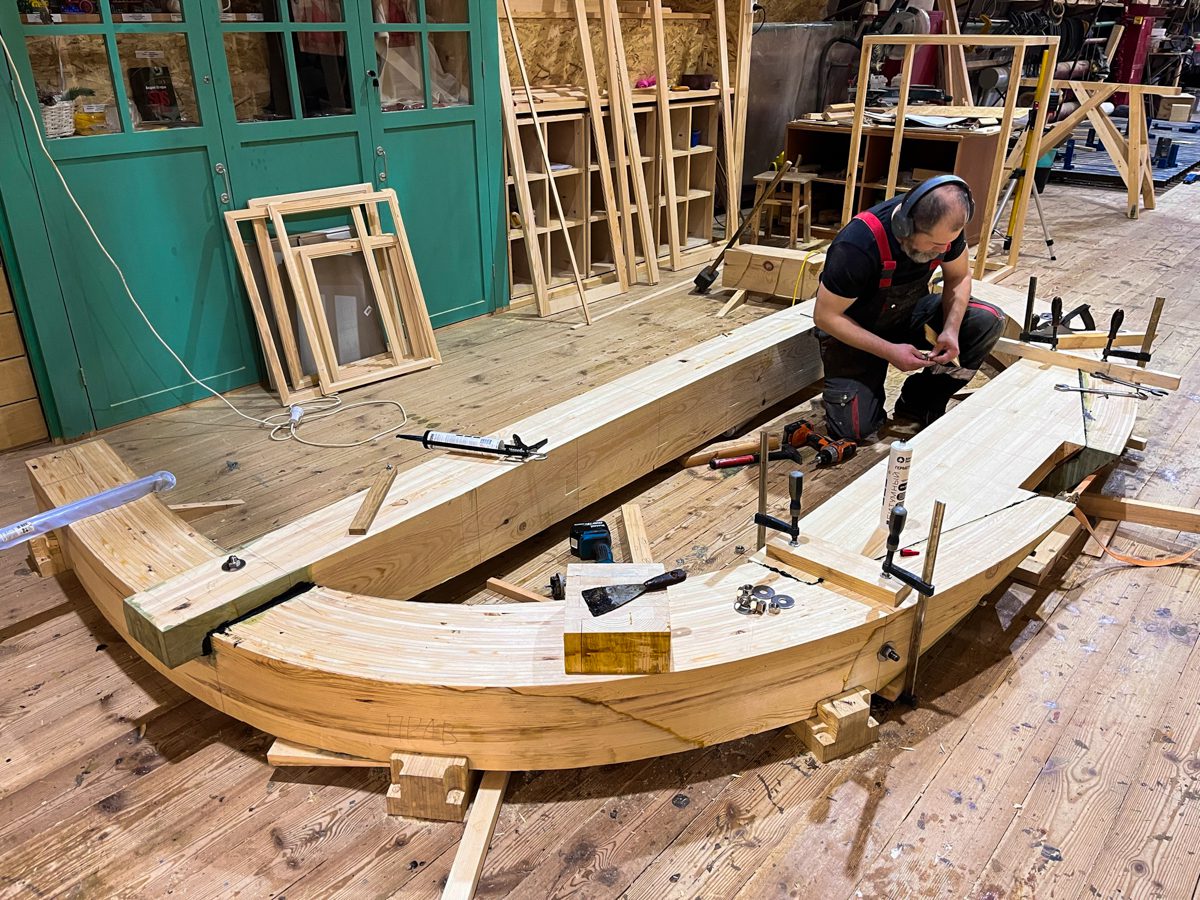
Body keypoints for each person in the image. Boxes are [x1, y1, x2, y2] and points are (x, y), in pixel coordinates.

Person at [813, 175, 1006, 441]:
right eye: (935, 244)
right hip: (854, 331)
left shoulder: (944, 233)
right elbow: (825, 316)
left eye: (948, 242)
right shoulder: (857, 245)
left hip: (907, 314)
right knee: (855, 431)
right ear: (905, 227)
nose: (944, 249)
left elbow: (959, 276)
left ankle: (919, 401)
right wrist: (889, 351)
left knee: (987, 320)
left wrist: (950, 330)